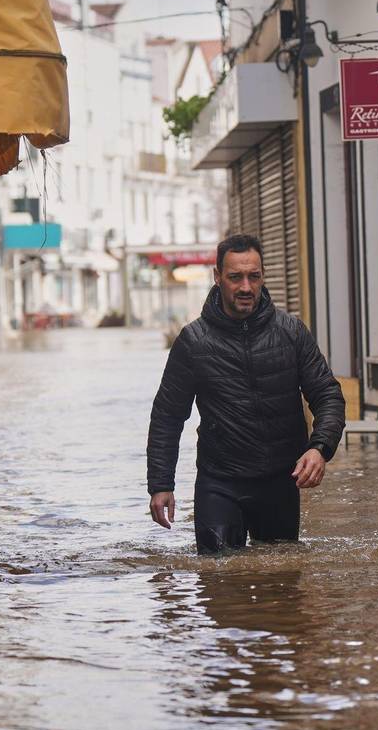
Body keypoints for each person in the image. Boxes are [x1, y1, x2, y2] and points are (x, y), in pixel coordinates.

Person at [146, 234, 346, 553]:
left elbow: (328, 395)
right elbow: (167, 417)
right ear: (217, 278)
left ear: (263, 276)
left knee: (281, 585)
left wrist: (320, 448)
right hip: (219, 482)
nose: (245, 288)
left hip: (281, 482)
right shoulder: (194, 342)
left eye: (254, 276)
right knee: (219, 583)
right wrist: (161, 485)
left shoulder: (291, 332)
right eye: (235, 277)